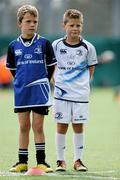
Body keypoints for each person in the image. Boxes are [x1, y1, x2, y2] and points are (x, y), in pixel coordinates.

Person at [6, 4, 56, 173]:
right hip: (22, 92)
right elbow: (13, 69)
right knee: (23, 126)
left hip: (39, 91)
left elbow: (51, 67)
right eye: (28, 21)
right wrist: (22, 81)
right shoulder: (13, 46)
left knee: (38, 126)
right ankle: (22, 162)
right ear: (20, 23)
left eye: (35, 21)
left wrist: (42, 81)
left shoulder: (44, 43)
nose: (32, 24)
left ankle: (42, 162)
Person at [52, 9, 98, 171]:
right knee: (61, 125)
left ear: (82, 26)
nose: (75, 28)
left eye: (78, 25)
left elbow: (91, 68)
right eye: (71, 25)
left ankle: (78, 160)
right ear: (64, 25)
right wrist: (57, 82)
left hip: (80, 95)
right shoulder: (56, 45)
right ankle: (60, 161)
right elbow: (52, 67)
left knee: (78, 126)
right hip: (61, 95)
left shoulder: (88, 47)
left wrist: (82, 84)